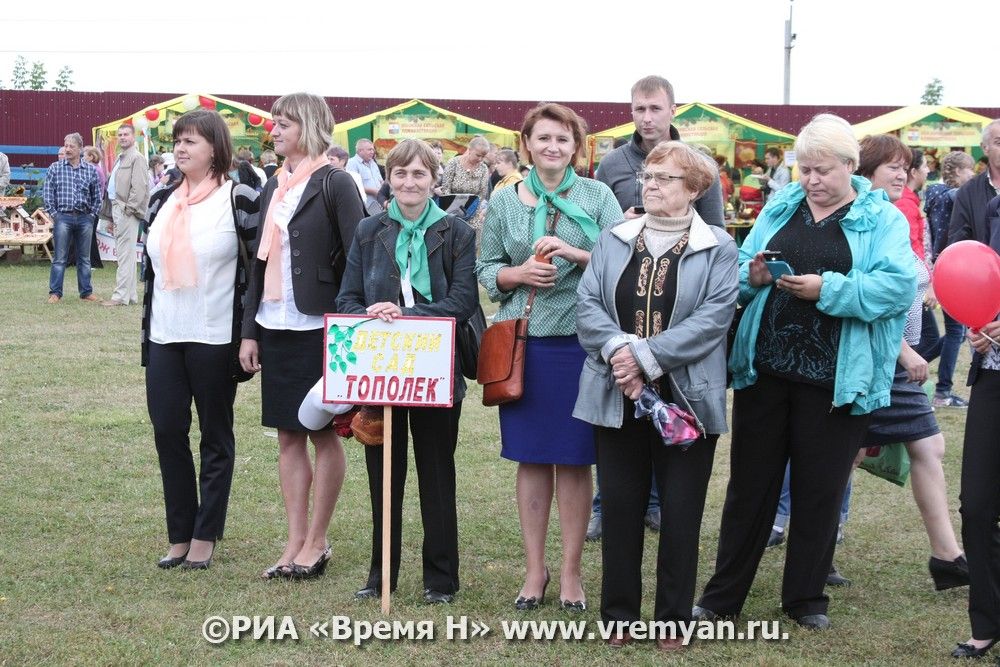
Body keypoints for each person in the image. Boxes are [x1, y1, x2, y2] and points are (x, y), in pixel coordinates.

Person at [694, 114, 916, 630]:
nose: (812, 180)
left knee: (820, 488)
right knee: (750, 486)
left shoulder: (883, 219)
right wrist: (751, 279)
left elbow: (897, 288)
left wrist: (829, 290)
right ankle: (723, 597)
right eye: (805, 170)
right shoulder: (781, 204)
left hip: (836, 376)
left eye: (822, 170)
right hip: (766, 369)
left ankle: (805, 598)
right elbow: (744, 267)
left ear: (849, 165)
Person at [575, 141, 738, 649]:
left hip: (686, 399)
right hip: (615, 391)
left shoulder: (719, 247)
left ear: (694, 190)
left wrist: (646, 358)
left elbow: (713, 318)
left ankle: (672, 618)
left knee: (681, 508)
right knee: (620, 506)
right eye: (648, 175)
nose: (651, 184)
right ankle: (619, 616)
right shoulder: (614, 237)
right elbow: (587, 303)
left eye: (665, 178)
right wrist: (620, 351)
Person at [476, 103, 622, 612]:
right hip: (527, 343)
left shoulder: (598, 195)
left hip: (583, 345)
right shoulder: (504, 201)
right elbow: (486, 268)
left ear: (576, 147)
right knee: (533, 459)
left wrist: (575, 254)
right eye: (543, 139)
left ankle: (571, 574)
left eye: (562, 139)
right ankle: (534, 571)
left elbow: (621, 258)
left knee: (576, 460)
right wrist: (519, 274)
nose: (553, 147)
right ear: (526, 145)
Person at [337, 139, 478, 604]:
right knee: (383, 474)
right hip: (383, 370)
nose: (409, 182)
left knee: (437, 473)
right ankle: (382, 574)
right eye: (400, 174)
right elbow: (347, 300)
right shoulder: (368, 230)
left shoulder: (457, 233)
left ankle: (441, 577)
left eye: (419, 174)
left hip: (435, 368)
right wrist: (372, 313)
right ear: (389, 179)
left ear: (434, 180)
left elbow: (462, 301)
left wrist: (407, 316)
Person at [588, 74, 726, 542]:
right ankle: (610, 506)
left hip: (680, 347)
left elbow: (715, 242)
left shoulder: (699, 167)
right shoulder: (611, 163)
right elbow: (601, 256)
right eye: (638, 109)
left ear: (672, 111)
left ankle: (656, 504)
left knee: (677, 490)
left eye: (654, 109)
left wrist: (645, 357)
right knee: (620, 449)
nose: (646, 118)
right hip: (624, 310)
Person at [239, 93, 366, 580]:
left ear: (310, 126)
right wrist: (250, 330)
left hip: (323, 326)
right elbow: (260, 263)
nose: (275, 130)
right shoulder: (277, 185)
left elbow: (359, 253)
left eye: (284, 122)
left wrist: (352, 324)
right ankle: (294, 540)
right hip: (276, 324)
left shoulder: (335, 182)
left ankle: (318, 540)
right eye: (275, 123)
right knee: (288, 436)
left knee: (320, 433)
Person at [141, 109, 260, 570]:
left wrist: (250, 333)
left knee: (215, 434)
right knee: (168, 429)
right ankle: (179, 533)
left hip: (215, 335)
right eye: (178, 140)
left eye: (191, 140)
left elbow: (256, 268)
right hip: (165, 334)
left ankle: (206, 533)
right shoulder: (161, 200)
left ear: (215, 147)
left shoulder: (239, 197)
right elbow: (151, 273)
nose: (181, 148)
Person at [847, 135, 967, 591]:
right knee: (846, 454)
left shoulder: (897, 213)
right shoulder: (870, 219)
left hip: (894, 358)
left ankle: (947, 556)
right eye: (891, 167)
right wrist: (901, 348)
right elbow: (866, 292)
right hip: (877, 355)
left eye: (906, 167)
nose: (902, 173)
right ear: (866, 170)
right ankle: (811, 545)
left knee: (923, 446)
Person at [946, 119, 1000, 659]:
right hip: (993, 374)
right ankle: (987, 619)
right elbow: (962, 264)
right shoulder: (975, 199)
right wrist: (981, 324)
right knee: (978, 504)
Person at [922, 151, 976, 407]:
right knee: (956, 332)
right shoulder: (955, 196)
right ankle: (943, 391)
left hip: (938, 266)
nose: (973, 176)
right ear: (957, 172)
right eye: (970, 171)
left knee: (956, 332)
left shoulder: (933, 193)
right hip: (950, 268)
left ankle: (912, 365)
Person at [44, 132, 103, 304]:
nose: (68, 149)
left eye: (71, 146)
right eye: (66, 145)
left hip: (85, 218)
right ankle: (55, 293)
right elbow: (48, 193)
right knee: (59, 258)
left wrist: (92, 215)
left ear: (80, 149)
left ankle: (86, 292)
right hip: (63, 217)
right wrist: (54, 214)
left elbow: (97, 196)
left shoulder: (91, 170)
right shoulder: (55, 168)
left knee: (84, 258)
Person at [101, 123, 149, 307]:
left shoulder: (137, 158)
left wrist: (128, 210)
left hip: (126, 210)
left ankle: (120, 296)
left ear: (133, 136)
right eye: (120, 134)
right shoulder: (120, 158)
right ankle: (129, 295)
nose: (122, 137)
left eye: (126, 134)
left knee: (124, 254)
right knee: (125, 254)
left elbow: (140, 187)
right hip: (117, 207)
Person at [440, 135, 491, 201]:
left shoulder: (483, 168)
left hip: (473, 206)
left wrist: (474, 208)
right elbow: (445, 188)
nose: (480, 159)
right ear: (470, 149)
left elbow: (482, 193)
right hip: (450, 204)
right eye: (478, 155)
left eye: (483, 156)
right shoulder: (453, 163)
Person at [346, 139, 385, 212]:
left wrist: (385, 189)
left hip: (378, 204)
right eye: (369, 150)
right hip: (364, 206)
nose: (372, 152)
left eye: (373, 150)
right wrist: (374, 192)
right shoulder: (352, 163)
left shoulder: (372, 163)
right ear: (360, 151)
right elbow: (353, 186)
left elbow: (380, 180)